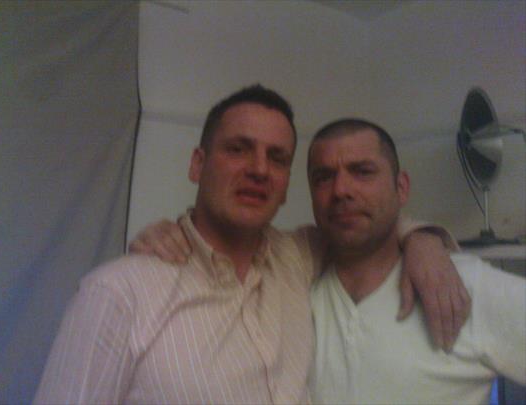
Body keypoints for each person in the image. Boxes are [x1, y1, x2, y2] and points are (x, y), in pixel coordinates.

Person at [35, 85, 467, 404]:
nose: (259, 169)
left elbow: (366, 223)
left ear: (285, 186)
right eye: (239, 149)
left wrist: (423, 241)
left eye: (277, 158)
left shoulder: (298, 257)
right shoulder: (117, 294)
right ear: (197, 164)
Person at [305, 119, 525, 404]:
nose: (340, 190)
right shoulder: (296, 292)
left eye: (362, 172)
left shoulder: (464, 286)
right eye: (324, 177)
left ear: (401, 187)